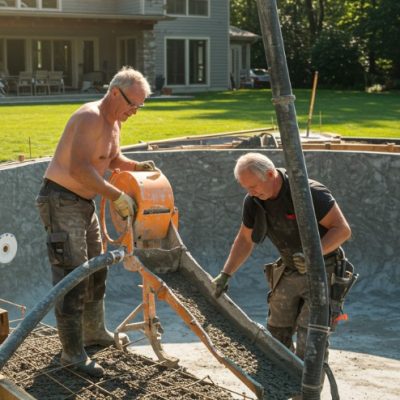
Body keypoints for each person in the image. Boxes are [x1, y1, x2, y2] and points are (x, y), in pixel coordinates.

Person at [36, 66, 155, 377]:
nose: (135, 111)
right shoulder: (89, 117)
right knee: (72, 275)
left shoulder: (113, 122)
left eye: (140, 106)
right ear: (115, 92)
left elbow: (110, 159)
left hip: (82, 202)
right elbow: (78, 168)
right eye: (132, 103)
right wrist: (116, 195)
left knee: (97, 269)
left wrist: (135, 164)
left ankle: (92, 332)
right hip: (61, 200)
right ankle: (72, 354)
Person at [212, 153, 352, 375]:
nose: (250, 192)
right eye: (246, 188)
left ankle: (306, 393)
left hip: (323, 269)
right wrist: (226, 274)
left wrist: (312, 256)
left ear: (270, 174)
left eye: (253, 186)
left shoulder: (308, 193)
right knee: (276, 334)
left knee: (311, 340)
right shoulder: (255, 201)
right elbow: (245, 239)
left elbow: (342, 230)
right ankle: (281, 383)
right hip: (290, 268)